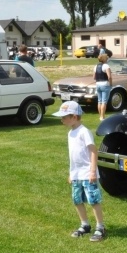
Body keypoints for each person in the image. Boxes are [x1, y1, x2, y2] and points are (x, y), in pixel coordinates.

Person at [52, 101, 106, 242]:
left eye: (64, 117)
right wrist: (71, 173)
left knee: (93, 200)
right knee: (77, 200)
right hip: (76, 174)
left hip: (88, 174)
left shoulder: (84, 132)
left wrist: (93, 171)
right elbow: (73, 156)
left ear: (74, 117)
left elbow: (93, 151)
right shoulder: (71, 133)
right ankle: (85, 225)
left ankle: (100, 227)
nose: (62, 119)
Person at [93, 53, 112, 120]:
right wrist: (110, 84)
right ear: (105, 59)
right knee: (104, 101)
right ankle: (102, 116)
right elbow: (109, 77)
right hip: (105, 84)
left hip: (98, 84)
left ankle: (100, 115)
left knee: (99, 101)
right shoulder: (106, 66)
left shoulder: (96, 66)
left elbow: (94, 77)